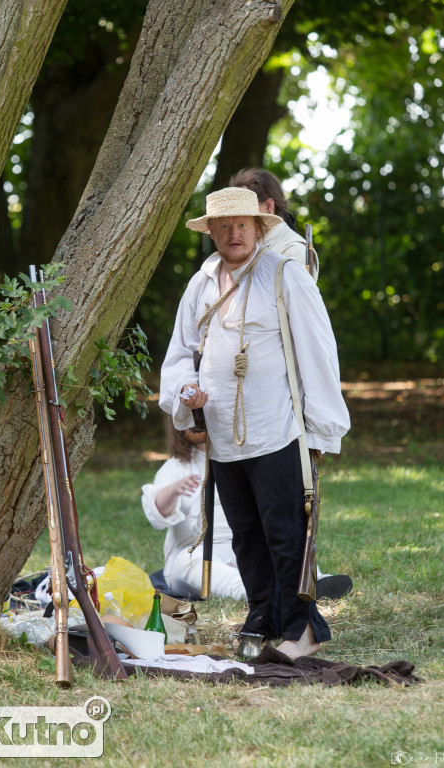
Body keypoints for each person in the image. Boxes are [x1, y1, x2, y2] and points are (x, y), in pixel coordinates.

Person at [159, 186, 350, 658]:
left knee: (285, 532)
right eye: (222, 226)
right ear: (212, 234)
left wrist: (322, 429)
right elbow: (181, 354)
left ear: (259, 226)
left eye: (241, 224)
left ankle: (300, 630)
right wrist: (186, 393)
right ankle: (262, 615)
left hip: (277, 429)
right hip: (223, 439)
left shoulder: (285, 275)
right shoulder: (201, 284)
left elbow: (318, 354)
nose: (232, 233)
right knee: (245, 534)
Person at [230, 167, 353, 602]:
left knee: (286, 511)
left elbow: (308, 342)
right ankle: (270, 603)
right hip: (247, 403)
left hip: (286, 400)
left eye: (246, 213)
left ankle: (302, 587)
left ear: (267, 207)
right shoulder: (244, 252)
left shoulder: (289, 253)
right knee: (253, 519)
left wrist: (319, 422)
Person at [141, 422, 246, 600]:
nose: (198, 423)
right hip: (191, 553)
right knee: (187, 561)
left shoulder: (243, 462)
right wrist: (174, 489)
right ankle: (248, 593)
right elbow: (157, 515)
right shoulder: (177, 466)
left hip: (241, 549)